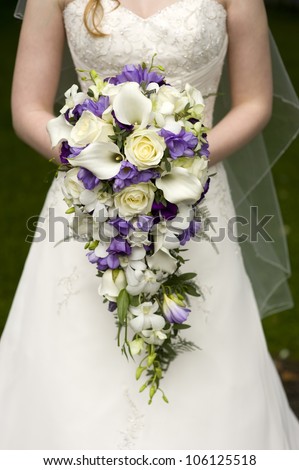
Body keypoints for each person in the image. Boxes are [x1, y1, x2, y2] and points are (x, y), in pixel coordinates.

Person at [0, 0, 298, 449]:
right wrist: (91, 161)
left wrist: (179, 164)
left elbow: (255, 102)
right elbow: (27, 106)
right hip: (90, 201)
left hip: (194, 197)